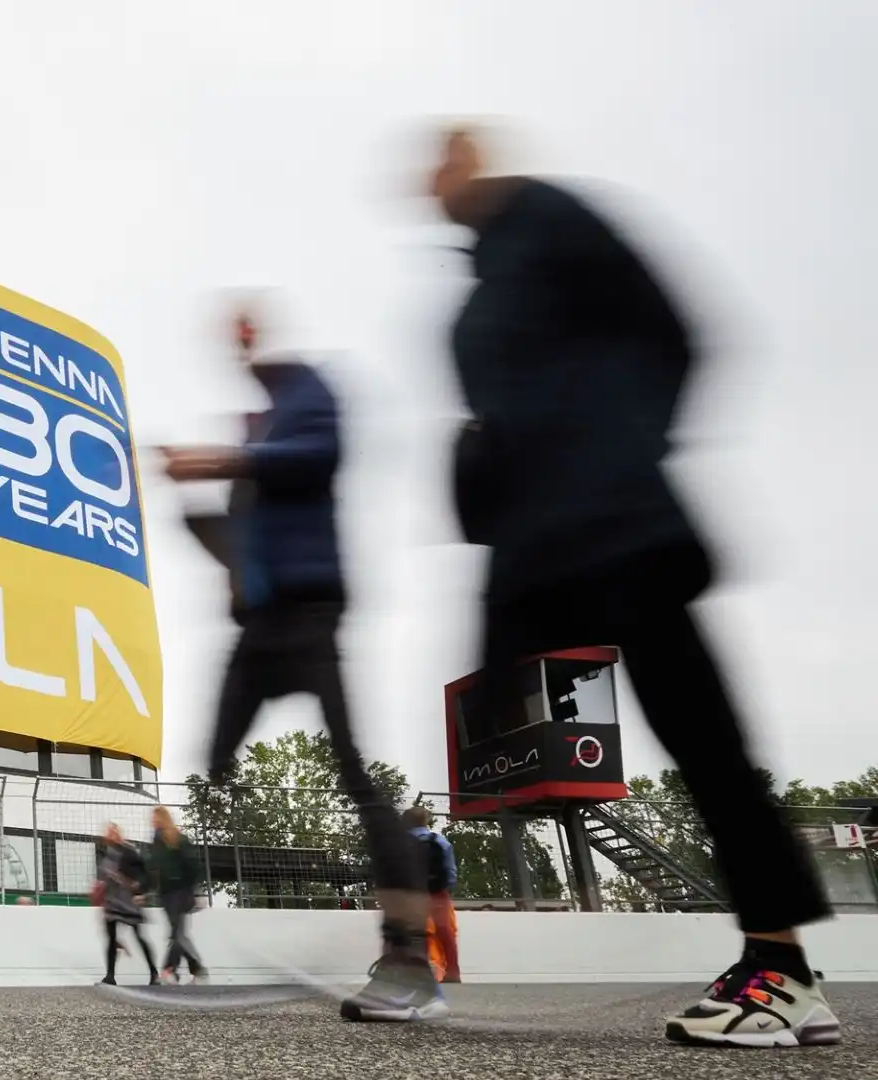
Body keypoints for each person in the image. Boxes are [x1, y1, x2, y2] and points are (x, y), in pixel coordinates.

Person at [427, 126, 838, 1047]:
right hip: (537, 554)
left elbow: (678, 331)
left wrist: (625, 453)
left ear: (478, 160)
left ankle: (780, 968)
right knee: (648, 748)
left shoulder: (548, 216)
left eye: (446, 157)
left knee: (706, 744)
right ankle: (787, 973)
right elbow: (499, 436)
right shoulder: (479, 297)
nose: (432, 175)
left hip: (619, 530)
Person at [163, 300, 438, 1021]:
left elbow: (320, 458)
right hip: (257, 631)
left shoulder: (309, 390)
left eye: (249, 343)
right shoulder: (257, 431)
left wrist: (227, 459)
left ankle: (408, 956)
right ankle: (193, 906)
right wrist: (201, 514)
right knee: (214, 761)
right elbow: (241, 538)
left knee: (355, 775)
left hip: (312, 616)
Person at [148, 807, 207, 984]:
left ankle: (170, 969)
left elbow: (193, 867)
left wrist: (195, 891)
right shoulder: (156, 842)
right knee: (178, 933)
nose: (152, 820)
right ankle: (195, 969)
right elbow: (152, 868)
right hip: (166, 894)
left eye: (155, 817)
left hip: (181, 892)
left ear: (162, 819)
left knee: (176, 933)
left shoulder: (179, 839)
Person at [95, 823, 158, 986]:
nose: (112, 834)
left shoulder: (129, 852)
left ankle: (154, 973)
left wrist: (141, 891)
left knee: (139, 937)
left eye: (115, 831)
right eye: (109, 832)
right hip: (112, 900)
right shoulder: (103, 853)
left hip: (129, 900)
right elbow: (103, 877)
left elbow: (145, 874)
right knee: (111, 938)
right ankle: (110, 975)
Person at [404, 806, 460, 983]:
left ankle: (419, 972)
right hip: (437, 892)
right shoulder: (440, 841)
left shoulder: (400, 842)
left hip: (412, 893)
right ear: (426, 821)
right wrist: (445, 889)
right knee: (445, 932)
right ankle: (453, 971)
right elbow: (450, 870)